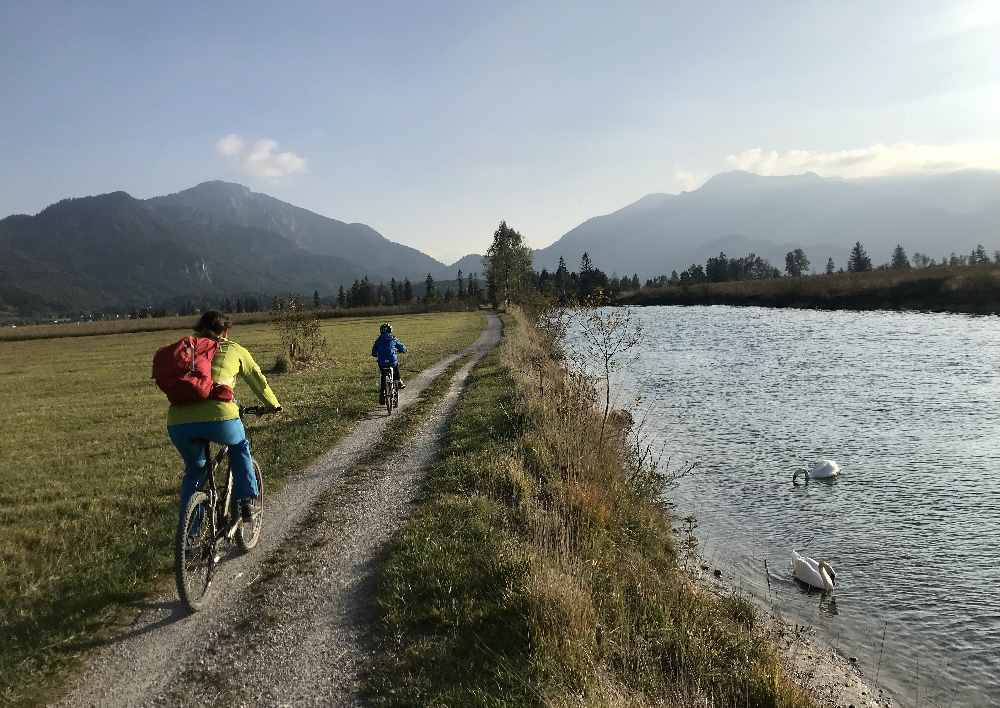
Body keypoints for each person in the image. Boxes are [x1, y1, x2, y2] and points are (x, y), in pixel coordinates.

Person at [166, 311, 281, 522]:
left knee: (195, 470)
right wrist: (274, 405)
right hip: (220, 415)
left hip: (178, 422)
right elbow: (258, 380)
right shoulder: (234, 349)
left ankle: (189, 534)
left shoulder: (187, 351)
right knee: (239, 446)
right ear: (226, 331)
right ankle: (247, 501)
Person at [372, 322, 407, 399]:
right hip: (392, 361)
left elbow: (374, 352)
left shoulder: (378, 340)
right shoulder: (393, 338)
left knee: (383, 374)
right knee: (395, 365)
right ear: (390, 330)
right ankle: (399, 381)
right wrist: (404, 350)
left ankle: (382, 393)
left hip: (382, 362)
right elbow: (402, 347)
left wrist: (375, 354)